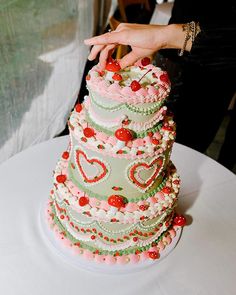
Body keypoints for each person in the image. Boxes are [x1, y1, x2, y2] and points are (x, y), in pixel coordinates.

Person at [84, 0, 236, 170]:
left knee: (187, 153)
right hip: (173, 50)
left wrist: (165, 36)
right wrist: (164, 37)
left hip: (217, 67)